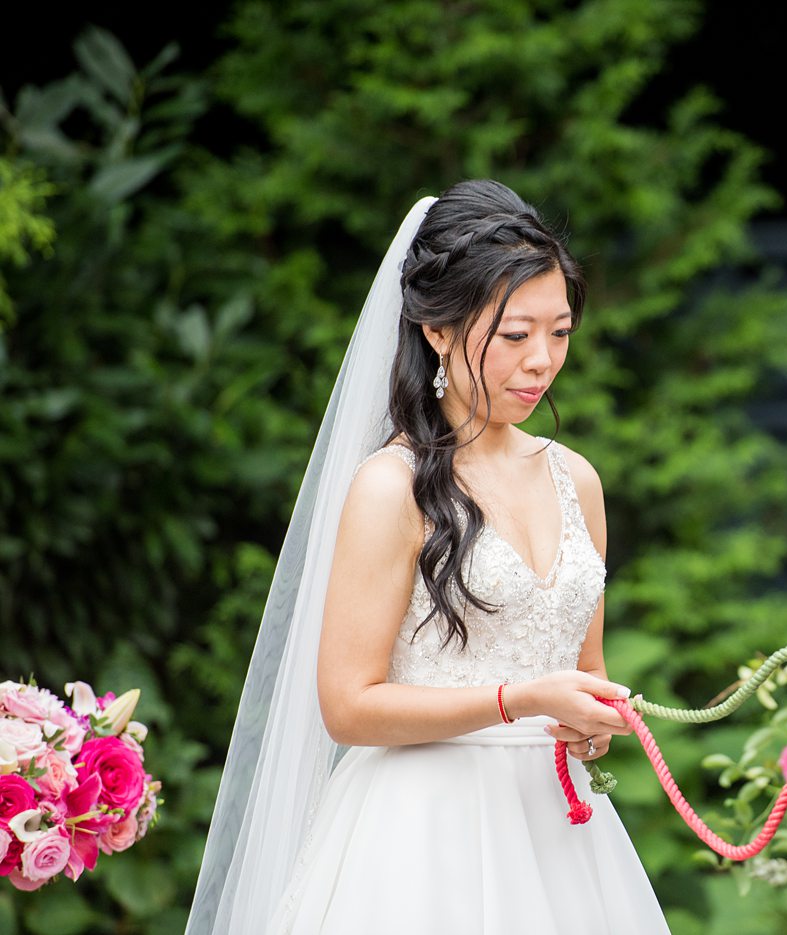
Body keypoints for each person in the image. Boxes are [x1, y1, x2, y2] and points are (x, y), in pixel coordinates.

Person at [185, 180, 670, 934]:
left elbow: (587, 667)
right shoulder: (392, 486)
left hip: (562, 840)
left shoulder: (578, 479)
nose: (542, 360)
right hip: (419, 842)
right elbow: (348, 705)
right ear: (437, 330)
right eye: (514, 336)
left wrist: (593, 718)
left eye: (561, 332)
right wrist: (520, 699)